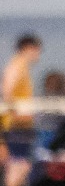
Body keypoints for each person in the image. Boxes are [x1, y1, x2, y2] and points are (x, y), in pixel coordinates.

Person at [4, 34, 41, 162]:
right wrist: (16, 114)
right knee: (18, 164)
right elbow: (7, 93)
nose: (38, 54)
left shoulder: (22, 67)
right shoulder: (16, 66)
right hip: (16, 125)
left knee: (22, 163)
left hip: (22, 125)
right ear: (28, 48)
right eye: (37, 50)